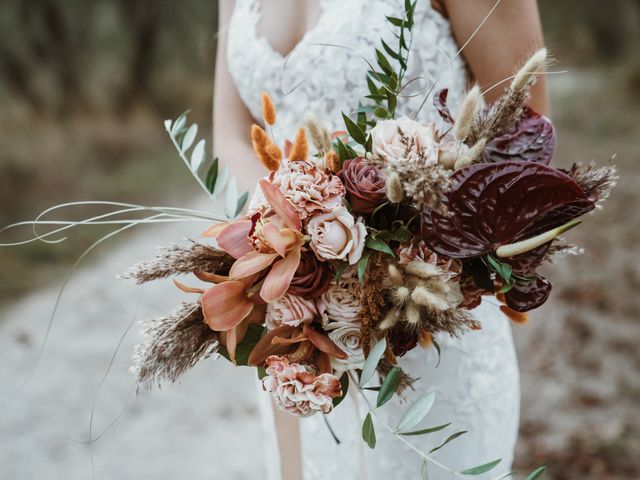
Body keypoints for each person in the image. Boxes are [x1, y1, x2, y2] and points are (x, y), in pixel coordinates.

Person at [213, 1, 548, 478]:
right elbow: (230, 133)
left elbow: (523, 137)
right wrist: (288, 239)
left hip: (426, 320)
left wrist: (386, 243)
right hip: (296, 330)